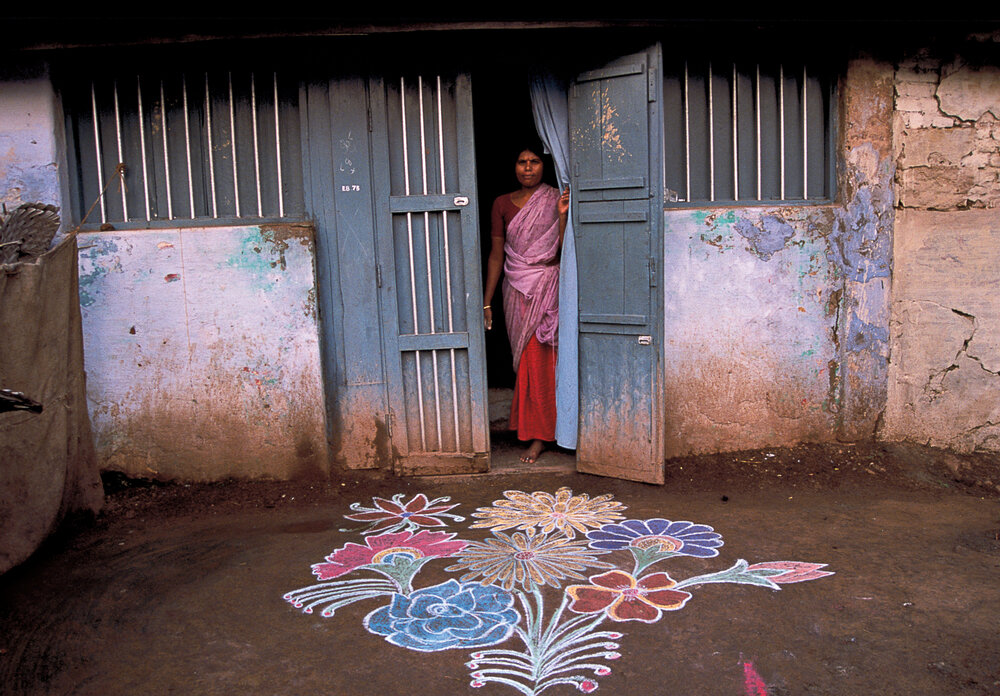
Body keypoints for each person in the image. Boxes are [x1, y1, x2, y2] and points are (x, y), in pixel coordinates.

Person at [483, 145, 569, 463]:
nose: (528, 168)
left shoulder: (554, 198)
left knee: (544, 362)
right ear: (514, 167)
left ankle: (545, 435)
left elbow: (562, 251)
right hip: (515, 290)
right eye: (522, 162)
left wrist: (562, 216)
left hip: (547, 288)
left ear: (544, 166)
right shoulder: (501, 204)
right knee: (526, 363)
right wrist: (486, 301)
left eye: (534, 162)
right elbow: (496, 254)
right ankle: (536, 430)